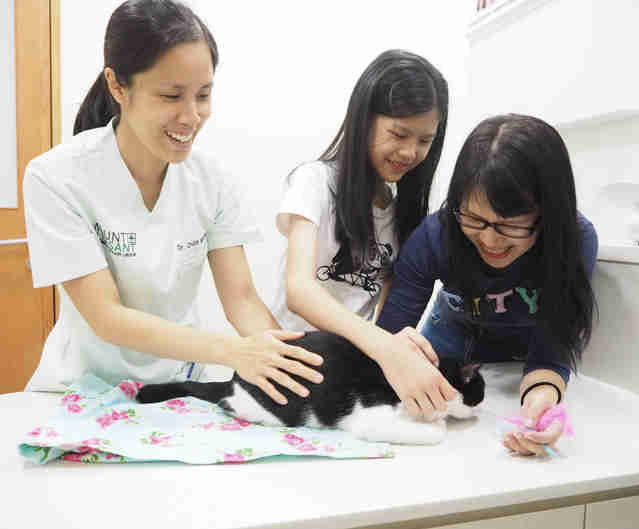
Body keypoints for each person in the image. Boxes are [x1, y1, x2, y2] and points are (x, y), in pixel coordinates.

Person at [23, 0, 324, 405]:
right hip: (78, 389)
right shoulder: (57, 177)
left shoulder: (213, 181)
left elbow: (242, 299)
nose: (191, 117)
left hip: (175, 391)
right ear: (117, 86)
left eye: (203, 95)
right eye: (171, 96)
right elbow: (106, 317)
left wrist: (287, 364)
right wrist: (232, 352)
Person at [377, 114, 598, 456]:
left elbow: (553, 347)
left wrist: (542, 406)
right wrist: (402, 366)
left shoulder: (575, 240)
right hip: (450, 345)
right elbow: (391, 335)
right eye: (475, 219)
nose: (490, 240)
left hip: (526, 358)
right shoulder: (436, 234)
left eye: (509, 225)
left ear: (549, 213)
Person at [270, 49, 459, 420]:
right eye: (399, 134)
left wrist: (394, 350)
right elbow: (299, 290)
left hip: (348, 371)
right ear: (363, 119)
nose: (410, 152)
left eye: (424, 141)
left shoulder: (403, 210)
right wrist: (383, 347)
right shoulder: (315, 182)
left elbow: (388, 307)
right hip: (292, 366)